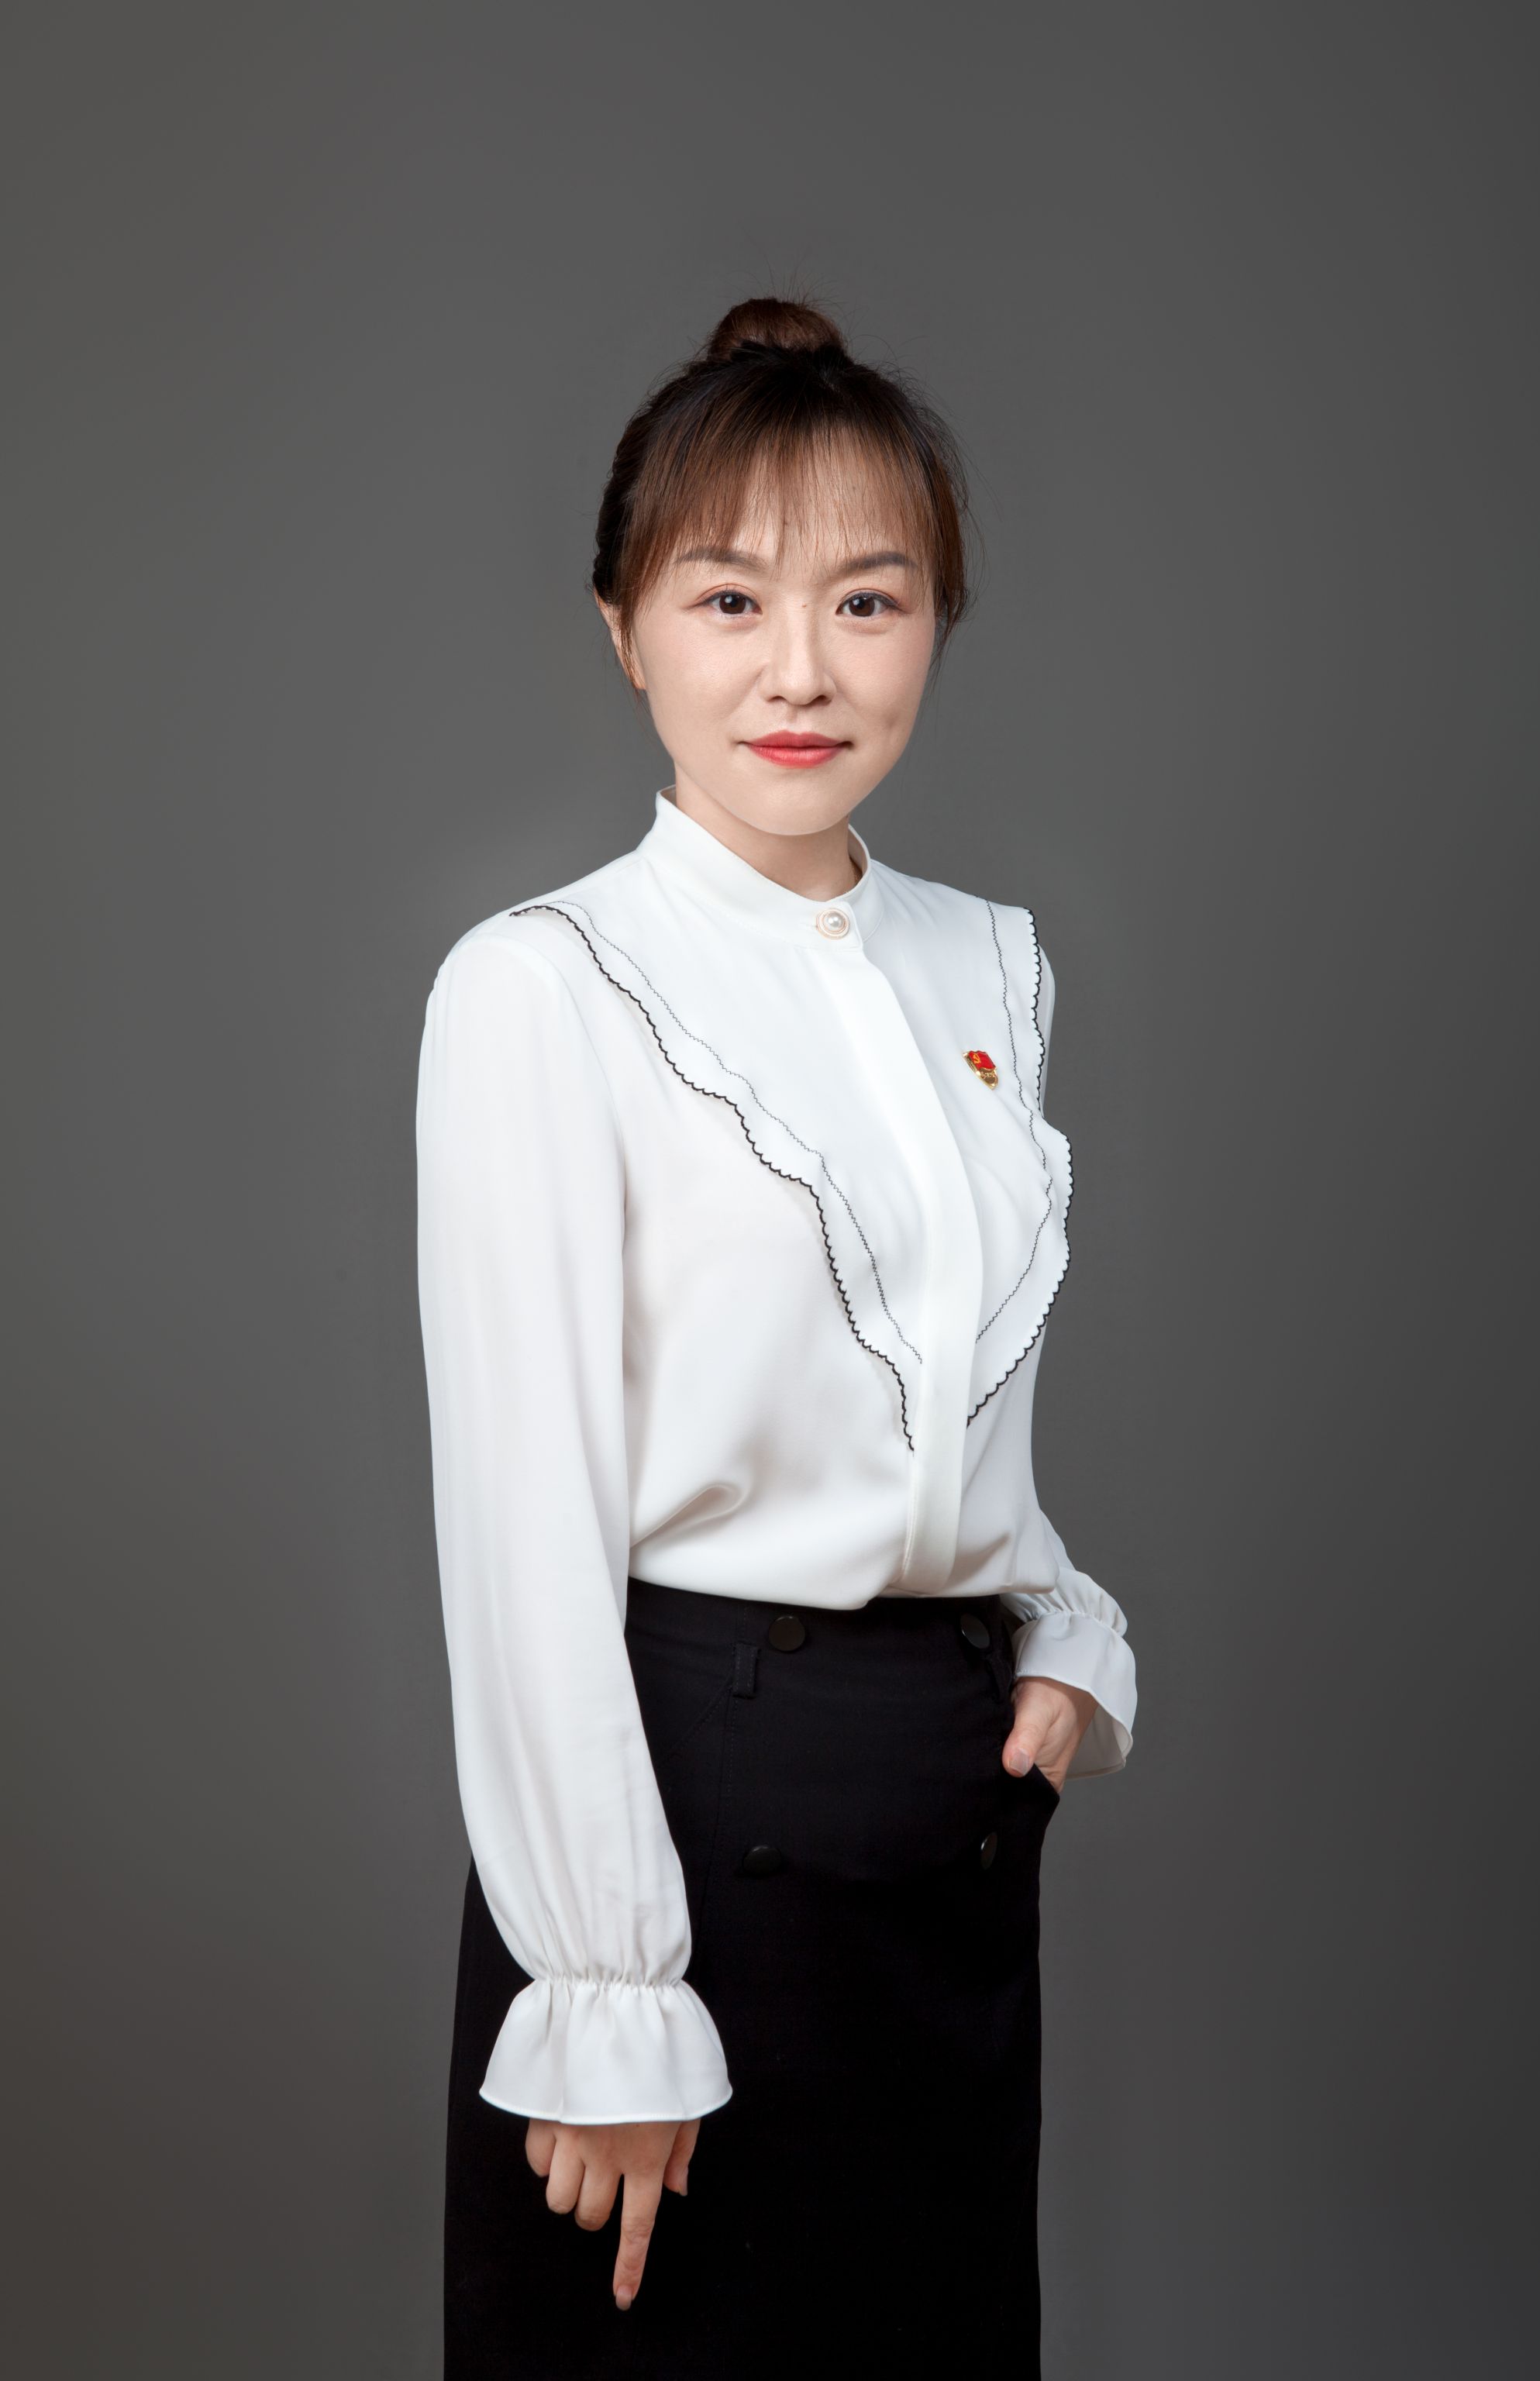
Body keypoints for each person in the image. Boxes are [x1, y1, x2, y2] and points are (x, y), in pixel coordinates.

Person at [415, 295, 1139, 2379]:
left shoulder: (991, 965)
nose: (802, 668)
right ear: (625, 628)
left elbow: (929, 1400)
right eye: (730, 598)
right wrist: (609, 1992)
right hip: (684, 1811)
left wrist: (1055, 1619)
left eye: (868, 600)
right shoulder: (545, 985)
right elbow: (527, 1527)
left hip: (947, 1838)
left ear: (936, 627)